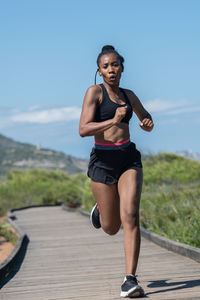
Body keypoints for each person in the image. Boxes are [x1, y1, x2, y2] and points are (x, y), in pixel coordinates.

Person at [79, 45, 154, 298]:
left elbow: (146, 118)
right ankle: (102, 209)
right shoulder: (94, 93)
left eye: (115, 65)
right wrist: (113, 120)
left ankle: (129, 280)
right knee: (111, 227)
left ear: (122, 67)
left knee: (131, 214)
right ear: (99, 72)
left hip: (128, 159)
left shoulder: (130, 95)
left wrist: (146, 123)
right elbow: (83, 129)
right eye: (106, 66)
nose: (111, 70)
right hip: (102, 161)